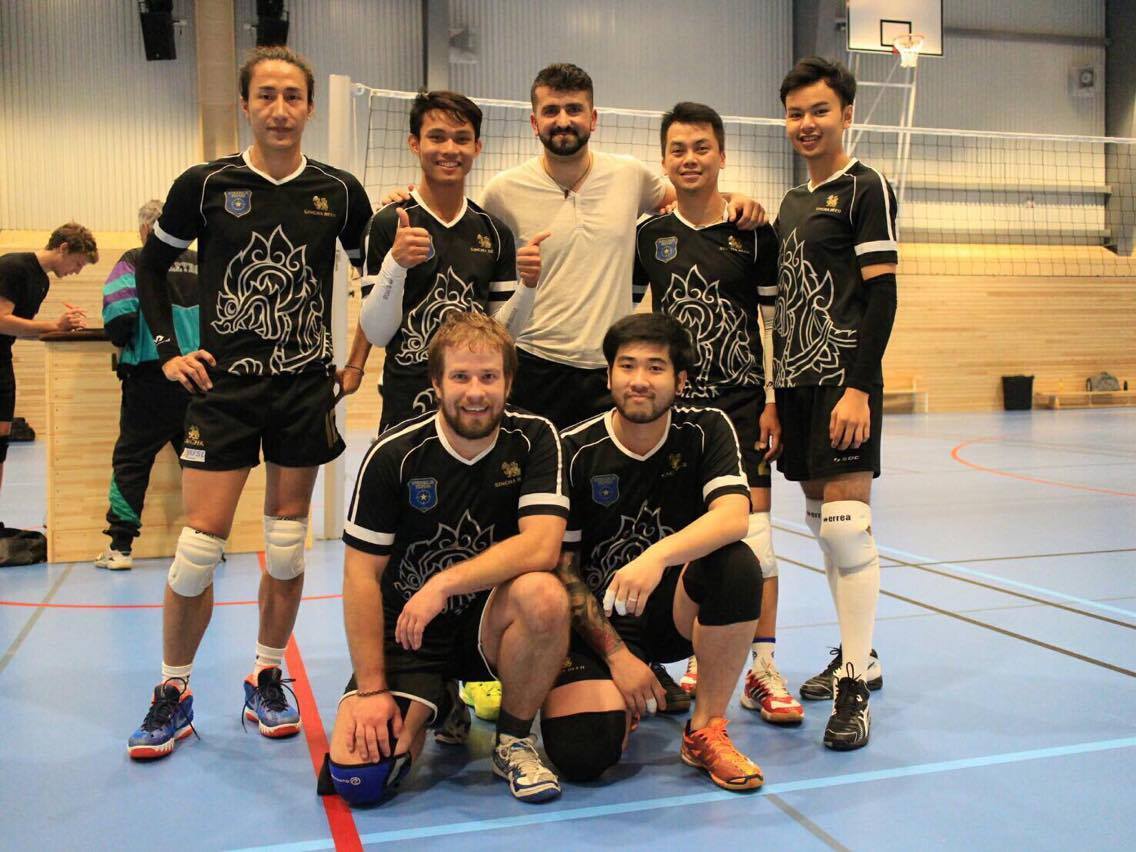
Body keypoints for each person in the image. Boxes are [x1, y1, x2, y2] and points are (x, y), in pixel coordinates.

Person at [127, 46, 373, 760]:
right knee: (197, 551)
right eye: (266, 95)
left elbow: (379, 281)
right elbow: (151, 265)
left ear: (310, 107)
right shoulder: (206, 184)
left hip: (303, 390)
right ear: (245, 105)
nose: (279, 109)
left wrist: (357, 360)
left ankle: (265, 674)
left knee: (288, 547)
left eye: (292, 96)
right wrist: (169, 351)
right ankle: (173, 689)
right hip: (224, 391)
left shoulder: (339, 191)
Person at [320, 312, 569, 806]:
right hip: (411, 631)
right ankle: (440, 697)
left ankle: (514, 740)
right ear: (436, 383)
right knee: (361, 779)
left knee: (544, 593)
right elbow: (361, 575)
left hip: (489, 623)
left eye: (489, 376)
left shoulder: (536, 437)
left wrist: (442, 584)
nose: (475, 392)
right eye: (460, 376)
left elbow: (542, 545)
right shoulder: (394, 454)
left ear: (508, 382)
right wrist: (371, 690)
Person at [540, 313, 764, 792]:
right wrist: (618, 657)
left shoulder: (706, 429)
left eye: (655, 368)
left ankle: (705, 728)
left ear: (680, 381)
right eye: (627, 366)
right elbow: (563, 570)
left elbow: (734, 516)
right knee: (584, 754)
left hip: (671, 612)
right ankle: (618, 698)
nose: (639, 380)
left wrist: (654, 558)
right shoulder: (573, 449)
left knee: (738, 565)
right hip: (596, 622)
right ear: (608, 376)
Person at [633, 102, 802, 725]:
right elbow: (632, 318)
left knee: (755, 540)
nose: (690, 159)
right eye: (678, 149)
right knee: (682, 535)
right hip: (675, 413)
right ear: (664, 159)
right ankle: (699, 655)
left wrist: (775, 400)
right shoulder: (649, 236)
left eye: (701, 148)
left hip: (741, 406)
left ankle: (763, 665)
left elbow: (775, 322)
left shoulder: (752, 230)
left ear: (722, 155)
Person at [774, 57, 897, 750]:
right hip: (795, 385)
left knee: (849, 528)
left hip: (843, 381)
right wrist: (774, 394)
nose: (806, 123)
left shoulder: (865, 187)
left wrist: (858, 386)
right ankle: (862, 654)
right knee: (825, 528)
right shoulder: (793, 202)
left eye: (819, 110)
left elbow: (883, 294)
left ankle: (854, 684)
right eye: (795, 113)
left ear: (846, 114)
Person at [340, 90, 543, 434]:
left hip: (474, 404)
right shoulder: (388, 223)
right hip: (406, 407)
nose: (450, 149)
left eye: (461, 139)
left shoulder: (495, 232)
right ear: (414, 143)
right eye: (436, 137)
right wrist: (396, 265)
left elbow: (503, 336)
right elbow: (376, 331)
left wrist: (528, 286)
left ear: (477, 147)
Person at [95, 200, 199, 570]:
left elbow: (119, 315)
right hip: (199, 378)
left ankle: (120, 548)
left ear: (144, 230)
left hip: (150, 376)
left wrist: (124, 339)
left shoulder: (135, 259)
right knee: (198, 461)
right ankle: (205, 544)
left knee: (133, 460)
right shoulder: (202, 262)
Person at [0, 223, 94, 506]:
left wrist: (62, 330)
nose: (77, 271)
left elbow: (19, 329)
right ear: (63, 248)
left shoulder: (43, 281)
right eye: (77, 263)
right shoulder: (13, 267)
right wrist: (54, 325)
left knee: (1, 445)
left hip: (3, 357)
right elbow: (1, 320)